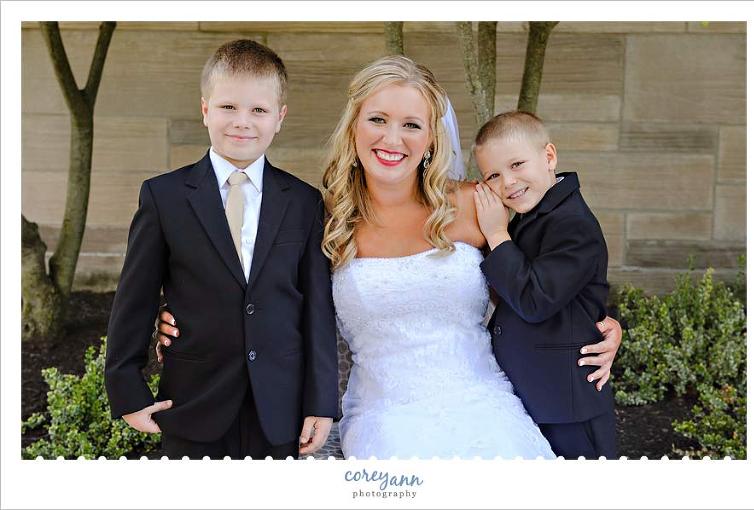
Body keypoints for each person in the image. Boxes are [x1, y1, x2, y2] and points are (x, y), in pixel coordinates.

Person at [156, 55, 622, 459]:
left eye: (412, 124)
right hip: (385, 414)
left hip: (486, 402)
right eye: (377, 119)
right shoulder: (319, 218)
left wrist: (603, 327)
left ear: (432, 138)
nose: (392, 139)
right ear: (354, 125)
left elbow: (548, 279)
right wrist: (185, 318)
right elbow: (258, 294)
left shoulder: (478, 205)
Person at [104, 39, 338, 460]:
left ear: (280, 117)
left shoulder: (304, 202)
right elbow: (134, 298)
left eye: (259, 110)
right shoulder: (165, 197)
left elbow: (317, 309)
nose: (243, 122)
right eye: (228, 107)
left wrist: (321, 402)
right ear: (205, 109)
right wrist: (126, 387)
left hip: (278, 407)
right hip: (193, 401)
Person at [473, 111, 617, 458]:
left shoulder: (573, 224)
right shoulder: (532, 215)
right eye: (493, 175)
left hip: (568, 406)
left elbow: (536, 299)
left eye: (517, 164)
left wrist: (496, 234)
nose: (507, 182)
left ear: (549, 156)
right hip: (533, 397)